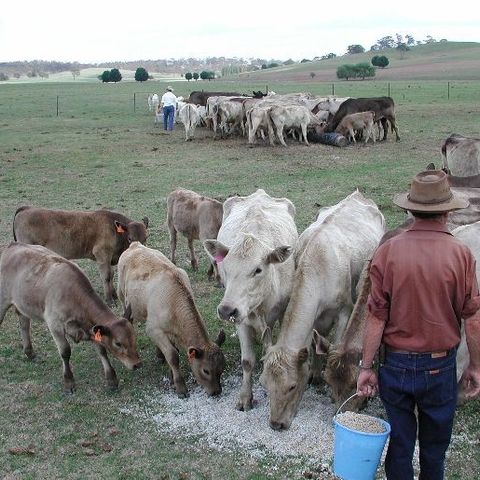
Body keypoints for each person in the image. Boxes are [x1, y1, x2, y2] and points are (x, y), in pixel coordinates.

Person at [356, 169, 480, 480]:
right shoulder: (462, 254)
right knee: (434, 450)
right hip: (440, 368)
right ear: (448, 210)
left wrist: (367, 365)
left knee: (400, 445)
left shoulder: (386, 252)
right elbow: (473, 318)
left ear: (410, 209)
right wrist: (475, 366)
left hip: (395, 365)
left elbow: (376, 316)